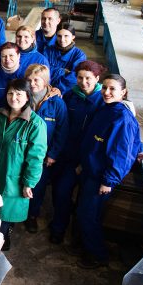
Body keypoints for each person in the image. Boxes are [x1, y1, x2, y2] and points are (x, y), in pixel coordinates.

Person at [75, 74, 143, 269]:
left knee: (89, 216)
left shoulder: (121, 117)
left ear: (123, 92)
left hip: (100, 177)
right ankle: (86, 246)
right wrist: (140, 149)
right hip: (90, 171)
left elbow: (120, 152)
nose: (107, 92)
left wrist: (108, 181)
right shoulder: (106, 109)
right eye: (105, 88)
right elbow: (133, 138)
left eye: (112, 89)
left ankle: (97, 255)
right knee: (86, 213)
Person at [0, 79, 47, 251]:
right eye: (10, 93)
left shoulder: (35, 124)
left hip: (14, 178)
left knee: (5, 213)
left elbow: (36, 158)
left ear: (27, 96)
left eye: (19, 93)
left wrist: (29, 183)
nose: (13, 97)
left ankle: (4, 237)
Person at [49, 60, 106, 244]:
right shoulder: (70, 97)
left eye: (88, 78)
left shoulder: (104, 101)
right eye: (80, 77)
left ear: (97, 78)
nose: (83, 82)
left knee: (86, 202)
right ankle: (58, 228)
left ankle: (78, 233)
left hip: (91, 160)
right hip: (69, 156)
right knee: (61, 192)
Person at [25, 64, 69, 233]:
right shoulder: (22, 97)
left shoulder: (57, 103)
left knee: (38, 186)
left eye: (37, 80)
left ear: (45, 82)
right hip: (22, 151)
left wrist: (53, 154)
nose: (33, 83)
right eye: (29, 80)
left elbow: (62, 131)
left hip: (43, 156)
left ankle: (32, 216)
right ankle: (16, 214)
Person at [44, 23, 86, 94]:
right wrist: (64, 71)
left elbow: (75, 77)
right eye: (59, 36)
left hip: (67, 90)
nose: (62, 40)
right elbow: (42, 70)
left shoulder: (79, 55)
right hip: (46, 87)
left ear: (73, 37)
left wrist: (58, 88)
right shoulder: (48, 50)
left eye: (66, 36)